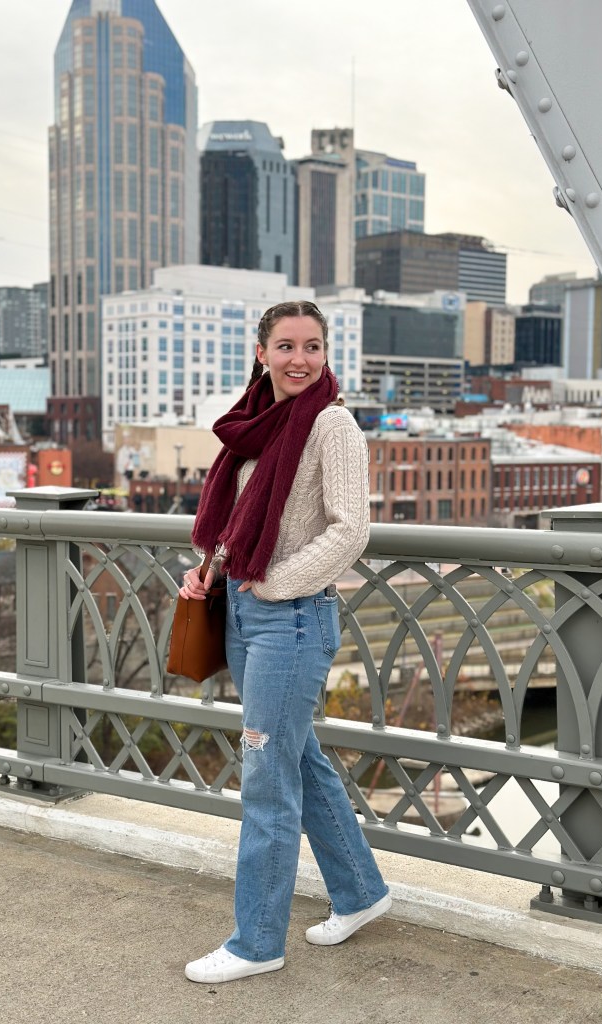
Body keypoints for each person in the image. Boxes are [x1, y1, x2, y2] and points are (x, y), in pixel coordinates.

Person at [178, 300, 391, 984]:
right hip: (245, 613)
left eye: (313, 345)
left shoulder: (332, 425)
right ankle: (361, 891)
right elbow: (238, 519)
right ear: (262, 351)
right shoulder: (252, 425)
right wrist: (209, 568)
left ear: (326, 353)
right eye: (287, 345)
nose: (300, 358)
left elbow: (350, 529)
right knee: (298, 761)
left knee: (268, 782)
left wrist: (272, 583)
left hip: (292, 619)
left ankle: (257, 942)